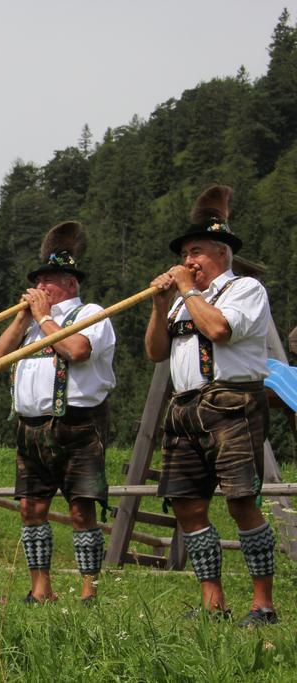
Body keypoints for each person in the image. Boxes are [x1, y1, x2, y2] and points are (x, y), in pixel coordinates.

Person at [145, 185, 277, 626]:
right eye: (184, 253)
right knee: (186, 505)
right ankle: (212, 603)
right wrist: (162, 303)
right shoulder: (184, 299)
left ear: (221, 253)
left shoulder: (246, 289)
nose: (188, 262)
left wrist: (186, 289)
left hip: (231, 402)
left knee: (241, 501)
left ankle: (263, 605)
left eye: (196, 251)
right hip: (184, 407)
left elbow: (219, 330)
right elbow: (156, 352)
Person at [0, 221, 116, 604]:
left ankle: (89, 590)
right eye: (39, 279)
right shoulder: (30, 326)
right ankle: (40, 589)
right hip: (30, 429)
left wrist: (44, 318)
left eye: (51, 279)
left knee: (81, 510)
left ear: (72, 283)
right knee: (31, 508)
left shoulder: (91, 313)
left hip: (76, 424)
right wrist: (21, 319)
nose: (42, 287)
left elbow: (76, 351)